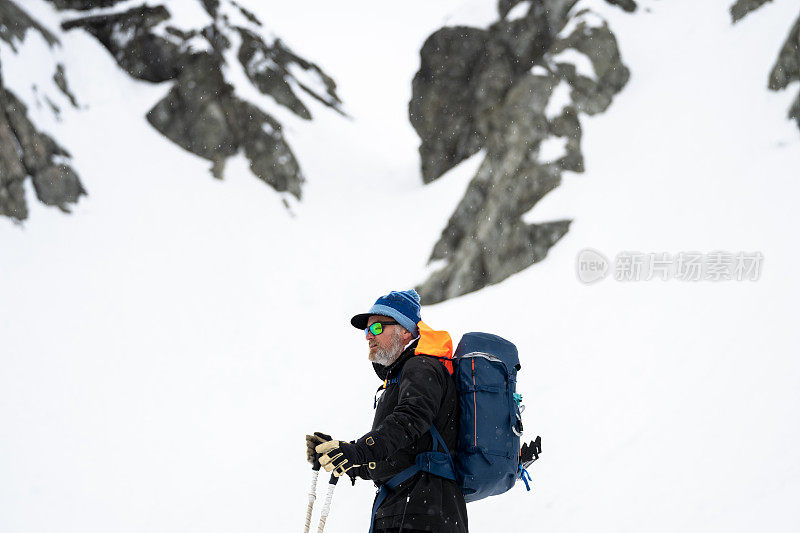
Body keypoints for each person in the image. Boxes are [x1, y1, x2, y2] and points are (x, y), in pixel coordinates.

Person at [306, 289, 468, 533]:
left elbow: (409, 421)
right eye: (367, 330)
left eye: (378, 328)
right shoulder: (400, 377)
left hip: (424, 511)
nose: (369, 336)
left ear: (405, 331)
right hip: (409, 509)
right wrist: (343, 455)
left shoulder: (421, 366)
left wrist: (358, 451)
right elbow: (396, 454)